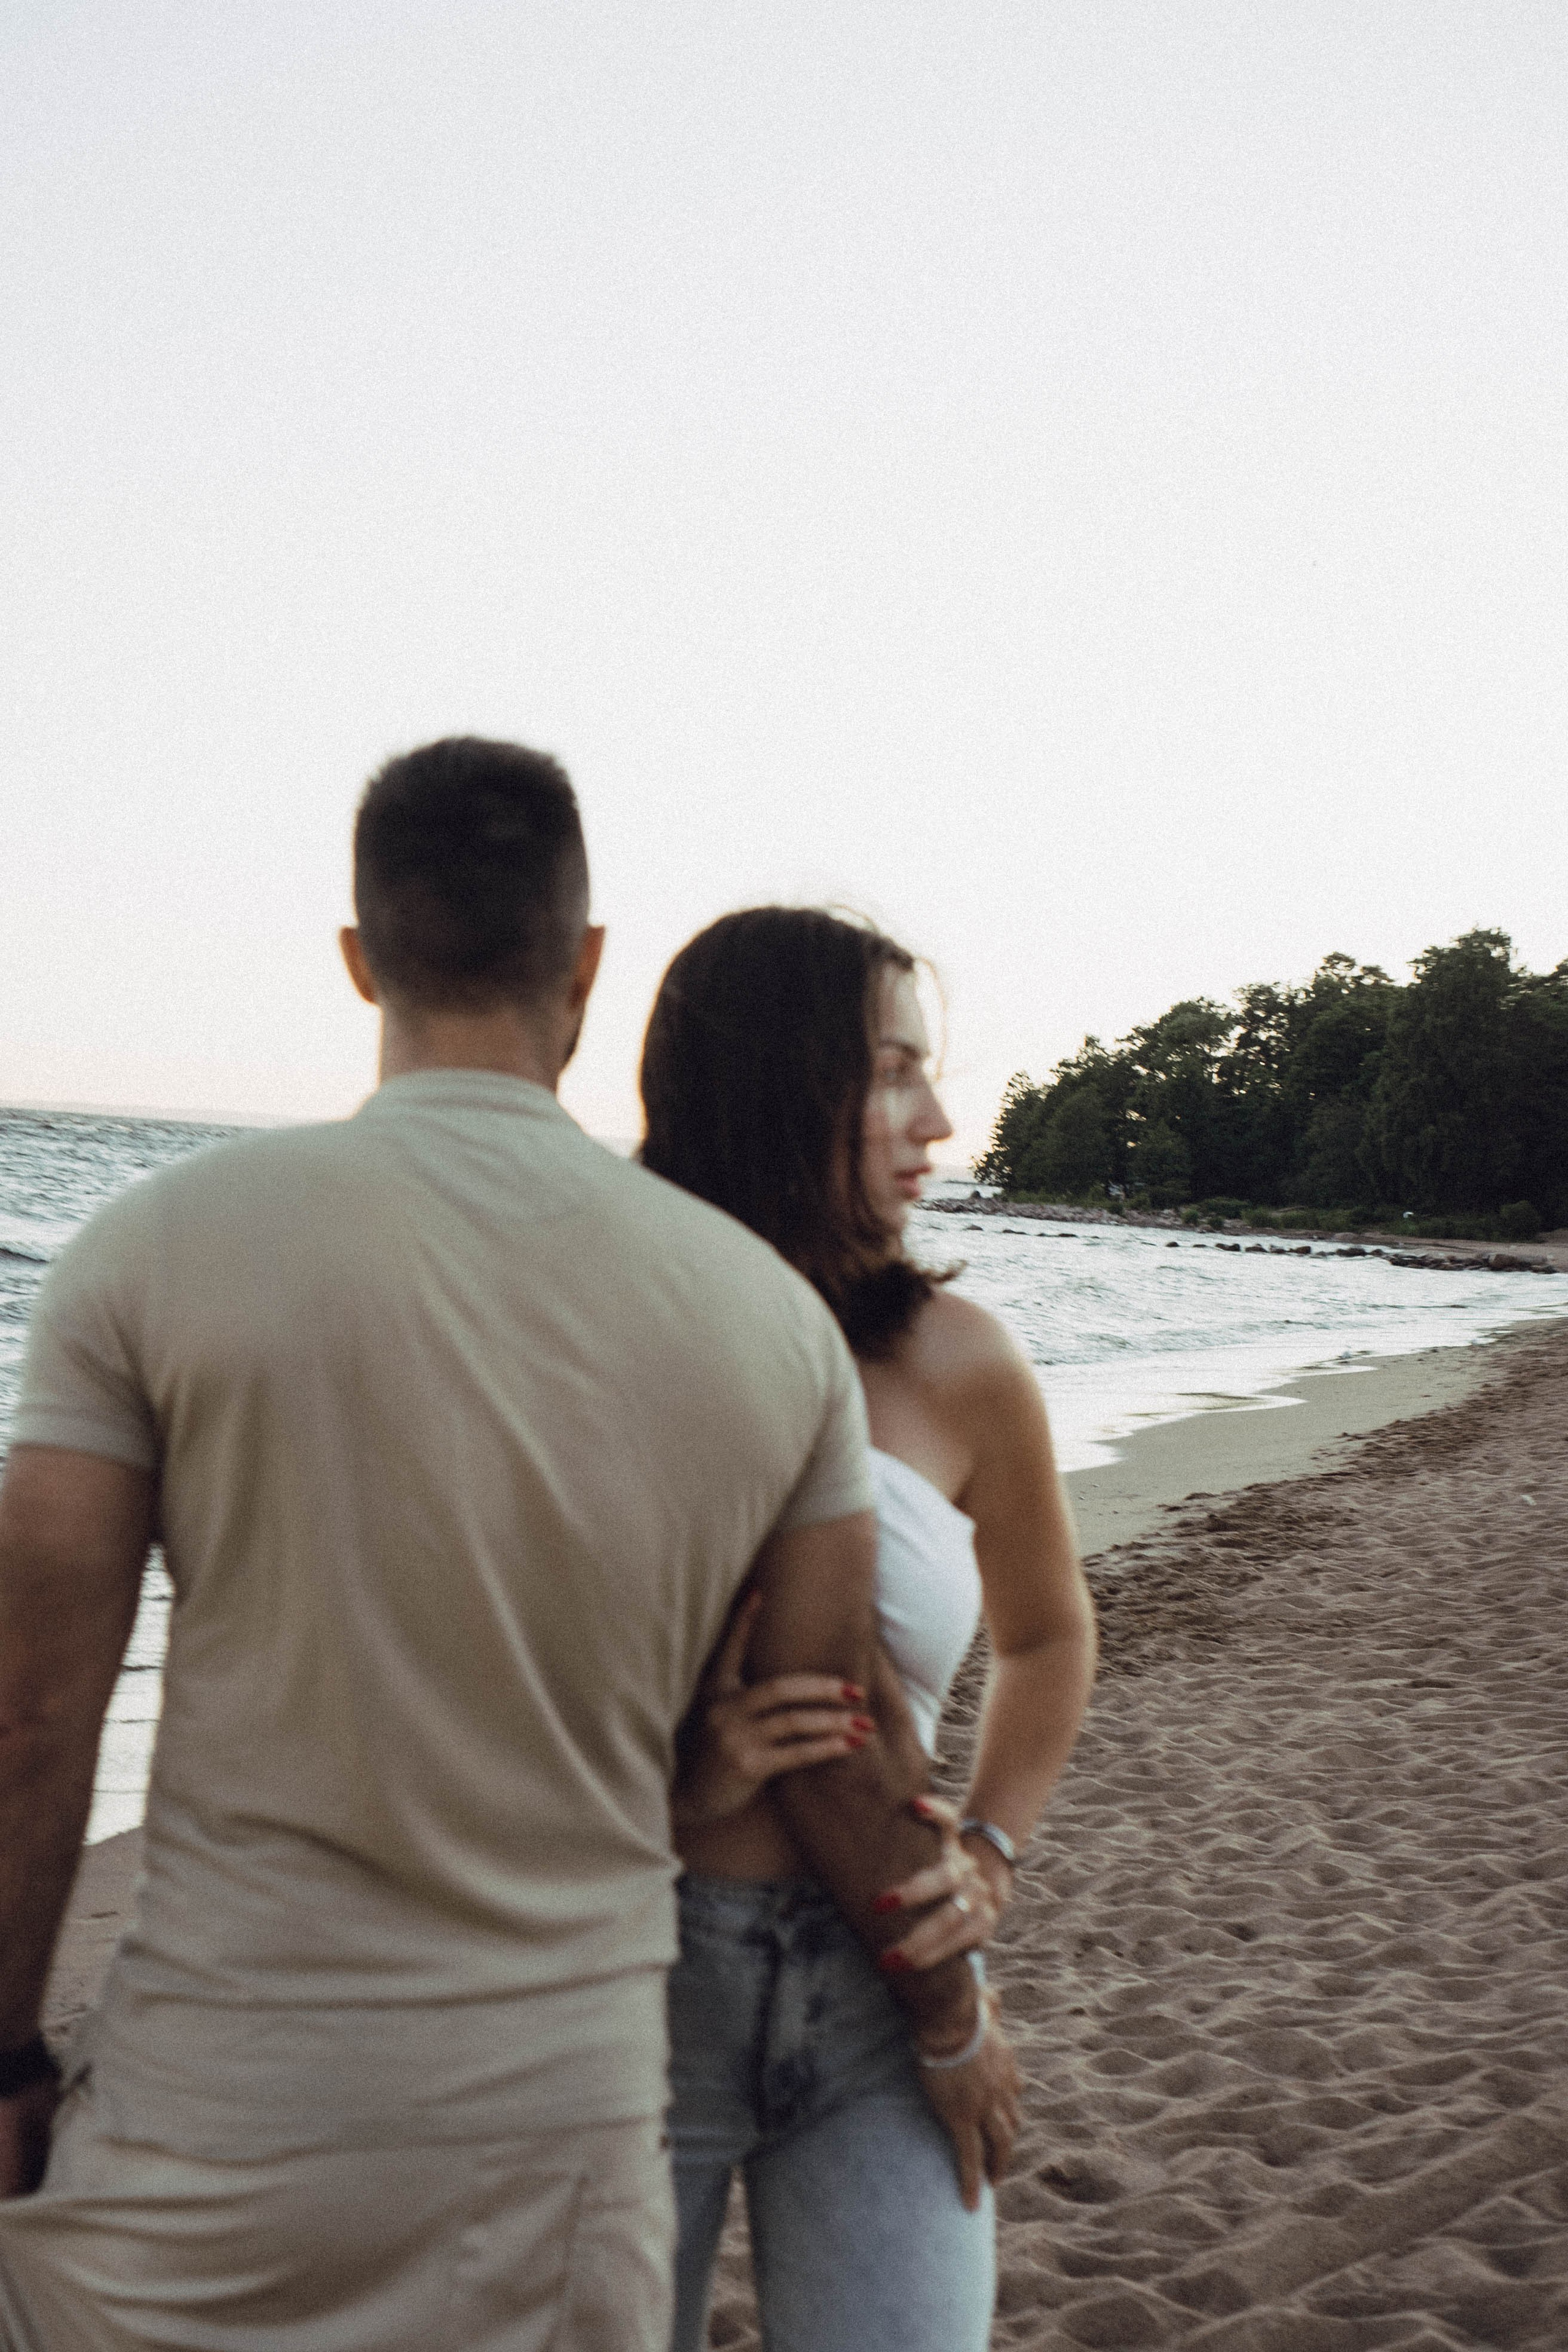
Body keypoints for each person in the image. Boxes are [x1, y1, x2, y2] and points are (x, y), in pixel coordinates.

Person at [0, 743, 981, 2352]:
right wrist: (946, 2003)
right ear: (587, 966)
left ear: (359, 958)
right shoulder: (769, 1331)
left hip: (214, 2118)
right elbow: (835, 1717)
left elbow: (33, 1714)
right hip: (563, 2153)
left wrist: (7, 2060)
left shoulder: (146, 1254)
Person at [639, 907, 1098, 2352]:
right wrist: (679, 1783)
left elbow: (1047, 1638)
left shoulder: (960, 1363)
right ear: (777, 1086)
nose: (939, 1123)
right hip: (628, 1984)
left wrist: (991, 1847)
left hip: (881, 1987)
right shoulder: (614, 1346)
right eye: (892, 1074)